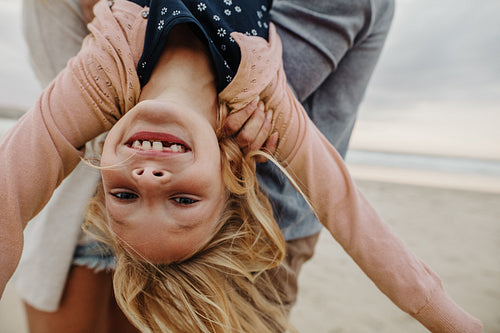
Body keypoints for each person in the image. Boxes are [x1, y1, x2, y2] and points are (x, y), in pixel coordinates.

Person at [0, 0, 481, 332]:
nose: (148, 178)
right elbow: (349, 215)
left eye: (124, 194)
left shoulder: (100, 79)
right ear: (234, 171)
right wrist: (452, 320)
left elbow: (8, 194)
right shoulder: (259, 96)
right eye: (182, 199)